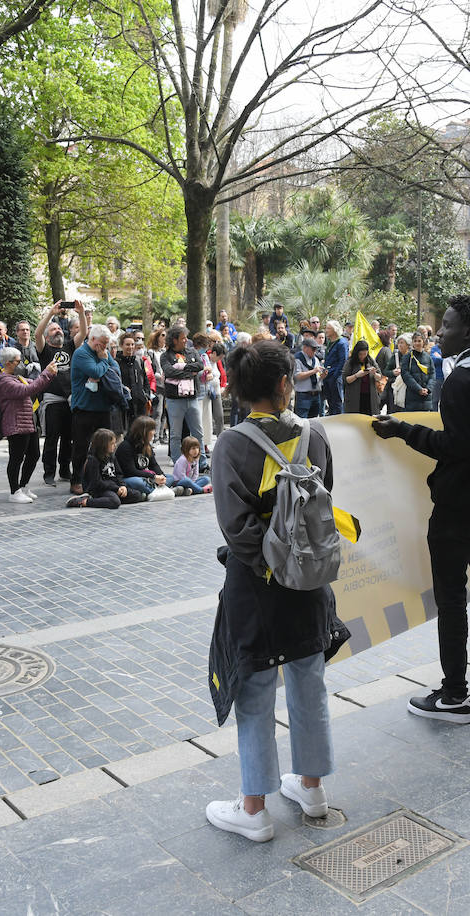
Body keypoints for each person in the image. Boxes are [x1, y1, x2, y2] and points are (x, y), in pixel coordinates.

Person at [205, 338, 336, 842]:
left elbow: (236, 529)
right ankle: (312, 788)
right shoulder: (316, 434)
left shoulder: (231, 445)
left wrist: (269, 565)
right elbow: (325, 506)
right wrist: (295, 564)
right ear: (285, 384)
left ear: (238, 390)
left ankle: (254, 808)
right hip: (308, 580)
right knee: (309, 680)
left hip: (256, 585)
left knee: (256, 688)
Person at [372, 294, 470, 723]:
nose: (440, 332)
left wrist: (403, 429)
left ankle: (455, 693)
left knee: (453, 596)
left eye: (448, 325)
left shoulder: (461, 381)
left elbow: (453, 446)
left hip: (458, 504)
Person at [0, 346, 57, 503]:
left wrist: (49, 374)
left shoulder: (15, 377)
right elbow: (28, 389)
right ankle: (14, 491)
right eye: (19, 361)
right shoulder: (4, 381)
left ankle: (23, 485)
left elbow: (35, 383)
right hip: (16, 424)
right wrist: (46, 373)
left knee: (33, 455)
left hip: (27, 422)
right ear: (9, 363)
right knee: (16, 458)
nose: (22, 364)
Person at [70, 324, 122, 494]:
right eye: (102, 343)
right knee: (81, 447)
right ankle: (76, 480)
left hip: (103, 407)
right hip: (84, 408)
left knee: (105, 445)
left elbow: (116, 371)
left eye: (107, 344)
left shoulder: (103, 353)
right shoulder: (81, 353)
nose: (105, 348)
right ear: (92, 339)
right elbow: (95, 371)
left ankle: (104, 477)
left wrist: (104, 360)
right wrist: (104, 362)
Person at [39, 305, 84, 486]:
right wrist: (51, 313)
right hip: (53, 401)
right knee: (52, 438)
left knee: (69, 439)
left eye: (59, 328)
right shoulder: (45, 350)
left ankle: (65, 470)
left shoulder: (70, 346)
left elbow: (83, 332)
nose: (57, 330)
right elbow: (37, 334)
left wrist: (80, 313)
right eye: (53, 329)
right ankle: (49, 473)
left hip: (71, 401)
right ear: (48, 336)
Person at [160, 327, 204, 465]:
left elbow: (200, 365)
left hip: (192, 399)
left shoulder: (192, 351)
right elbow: (169, 371)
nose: (186, 340)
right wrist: (189, 374)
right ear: (174, 340)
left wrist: (181, 368)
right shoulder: (165, 356)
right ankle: (178, 462)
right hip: (175, 401)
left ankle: (201, 462)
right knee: (175, 435)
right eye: (183, 338)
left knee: (198, 432)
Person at [66, 428, 140, 509]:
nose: (115, 446)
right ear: (103, 445)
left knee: (136, 495)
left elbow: (118, 474)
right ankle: (84, 501)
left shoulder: (112, 457)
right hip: (99, 489)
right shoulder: (93, 460)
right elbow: (97, 482)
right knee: (115, 502)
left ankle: (107, 500)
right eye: (112, 444)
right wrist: (116, 488)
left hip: (112, 487)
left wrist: (122, 486)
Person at [116, 416, 167, 499]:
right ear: (144, 432)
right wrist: (153, 477)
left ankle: (151, 492)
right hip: (130, 478)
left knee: (169, 477)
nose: (154, 432)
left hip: (147, 478)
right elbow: (131, 471)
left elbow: (154, 465)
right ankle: (164, 490)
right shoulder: (125, 446)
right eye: (152, 430)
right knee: (139, 482)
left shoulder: (147, 445)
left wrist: (161, 476)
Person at [342, 341, 382, 416]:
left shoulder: (370, 360)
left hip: (370, 397)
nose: (362, 356)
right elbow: (345, 379)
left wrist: (374, 373)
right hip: (355, 397)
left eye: (365, 354)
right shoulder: (350, 362)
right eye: (360, 354)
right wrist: (356, 375)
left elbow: (380, 377)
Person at [292, 337, 325, 418]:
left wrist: (322, 376)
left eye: (316, 349)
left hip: (316, 395)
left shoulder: (316, 359)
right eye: (313, 349)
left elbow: (317, 377)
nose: (315, 352)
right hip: (303, 395)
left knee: (314, 421)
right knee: (302, 422)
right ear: (305, 348)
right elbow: (297, 376)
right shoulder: (297, 359)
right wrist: (313, 371)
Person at [321, 320, 348, 415]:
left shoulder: (342, 343)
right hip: (327, 376)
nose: (326, 330)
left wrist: (335, 376)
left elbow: (343, 362)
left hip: (335, 377)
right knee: (330, 402)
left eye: (328, 328)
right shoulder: (329, 342)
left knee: (337, 402)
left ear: (335, 330)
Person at [402, 332, 433, 411]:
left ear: (423, 342)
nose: (417, 343)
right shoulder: (407, 357)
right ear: (412, 343)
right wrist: (418, 389)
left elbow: (432, 375)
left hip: (426, 398)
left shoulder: (428, 357)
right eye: (415, 341)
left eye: (419, 341)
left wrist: (428, 389)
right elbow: (406, 375)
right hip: (413, 397)